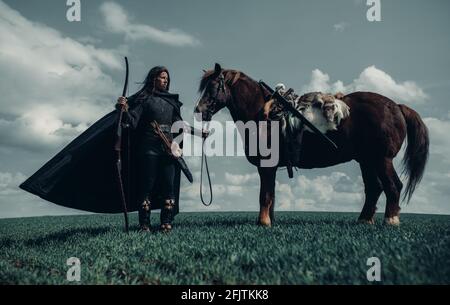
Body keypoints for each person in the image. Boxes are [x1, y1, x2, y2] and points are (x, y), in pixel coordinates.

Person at [116, 66, 207, 232]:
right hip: (148, 149)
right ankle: (144, 224)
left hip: (168, 150)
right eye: (162, 77)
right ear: (153, 79)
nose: (165, 80)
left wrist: (200, 133)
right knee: (147, 187)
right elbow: (131, 121)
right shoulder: (144, 100)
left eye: (167, 78)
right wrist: (123, 108)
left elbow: (181, 125)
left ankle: (166, 222)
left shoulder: (171, 102)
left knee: (168, 186)